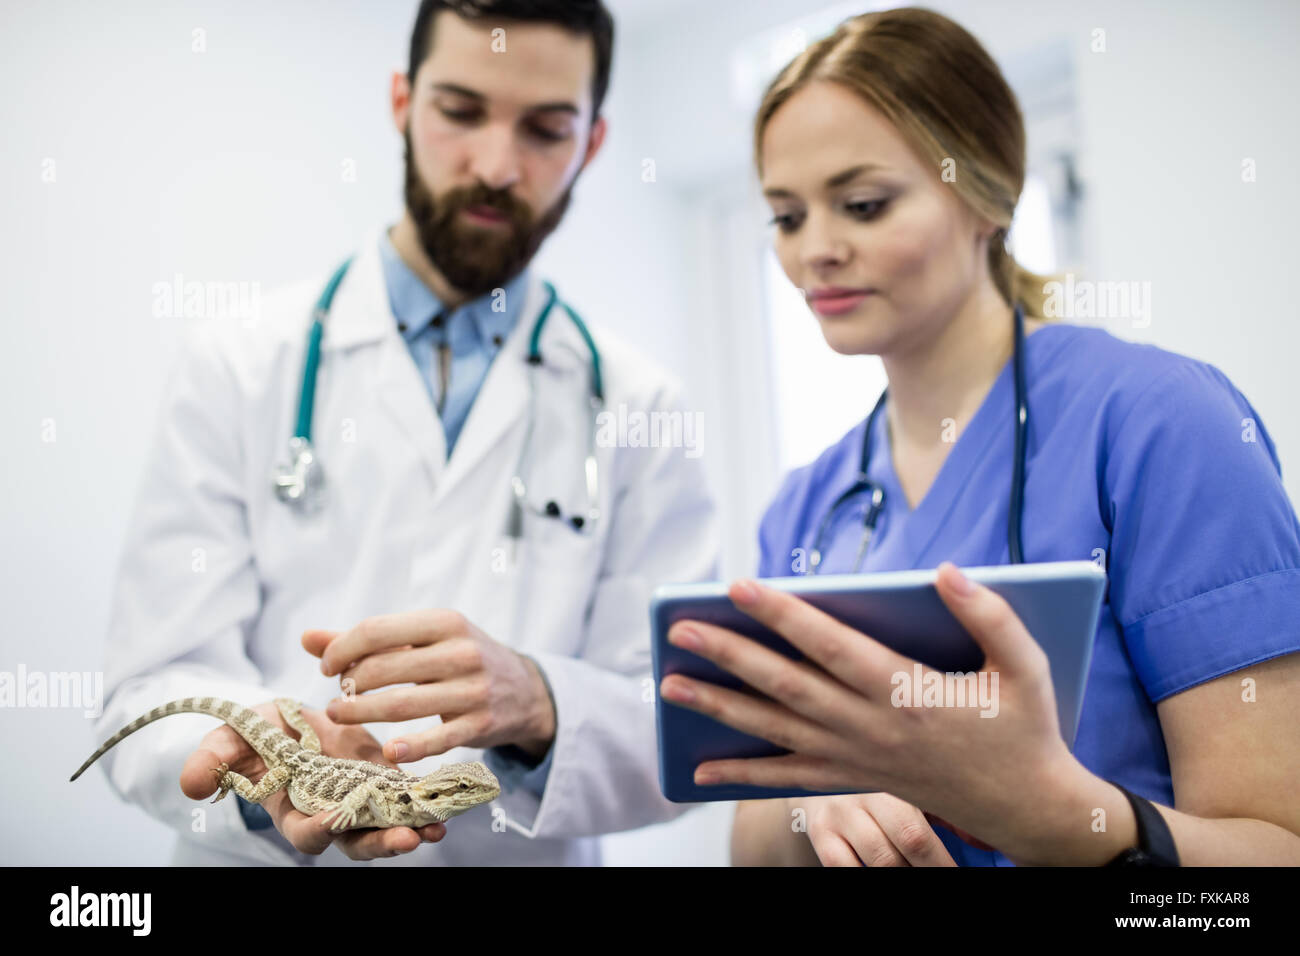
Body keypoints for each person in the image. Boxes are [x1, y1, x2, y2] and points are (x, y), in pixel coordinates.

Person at [658, 7, 1300, 866]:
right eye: (785, 216)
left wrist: (1062, 818)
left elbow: (1276, 848)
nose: (816, 250)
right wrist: (820, 802)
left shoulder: (1163, 424)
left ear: (988, 193)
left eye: (862, 203)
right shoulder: (809, 507)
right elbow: (753, 843)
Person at [95, 0, 717, 866]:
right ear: (401, 102)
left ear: (594, 145)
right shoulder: (240, 362)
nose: (495, 166)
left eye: (544, 129)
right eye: (460, 112)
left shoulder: (639, 407)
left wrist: (541, 700)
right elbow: (144, 690)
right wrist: (263, 766)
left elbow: (684, 732)